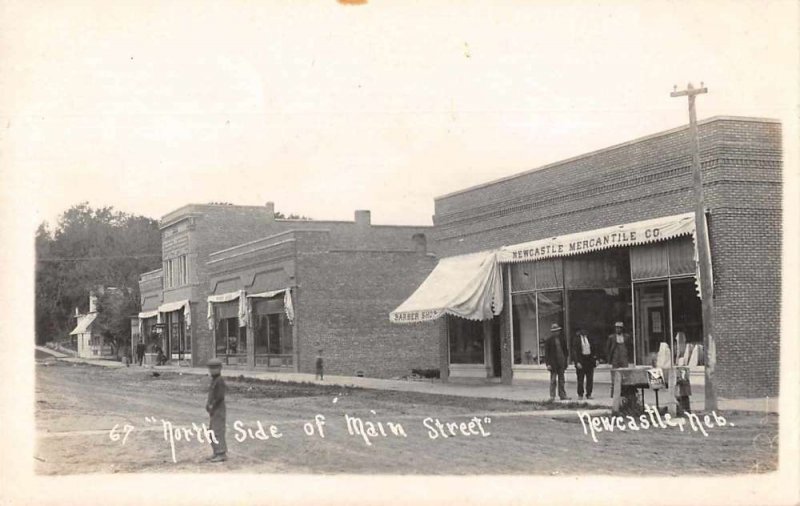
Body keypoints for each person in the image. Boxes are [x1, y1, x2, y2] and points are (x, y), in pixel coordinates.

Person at [206, 358, 227, 463]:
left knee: (217, 431)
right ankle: (216, 451)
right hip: (213, 409)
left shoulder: (220, 381)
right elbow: (211, 395)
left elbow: (219, 397)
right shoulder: (214, 380)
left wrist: (212, 406)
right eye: (210, 368)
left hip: (218, 409)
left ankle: (221, 453)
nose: (212, 370)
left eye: (214, 368)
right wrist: (208, 405)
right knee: (211, 431)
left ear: (220, 369)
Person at [544, 323, 570, 401]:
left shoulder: (562, 340)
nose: (556, 332)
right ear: (552, 332)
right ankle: (552, 396)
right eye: (554, 331)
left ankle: (562, 395)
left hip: (561, 362)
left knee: (562, 380)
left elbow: (566, 351)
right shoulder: (549, 341)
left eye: (557, 331)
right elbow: (547, 354)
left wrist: (566, 361)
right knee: (553, 380)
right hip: (553, 363)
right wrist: (548, 364)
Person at [572, 328, 596, 400]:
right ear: (580, 331)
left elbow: (594, 349)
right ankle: (580, 394)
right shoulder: (576, 340)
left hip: (589, 360)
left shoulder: (590, 338)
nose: (585, 332)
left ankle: (589, 394)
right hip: (581, 360)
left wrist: (595, 359)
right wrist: (577, 362)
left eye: (585, 330)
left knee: (590, 378)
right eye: (583, 330)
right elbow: (575, 352)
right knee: (580, 378)